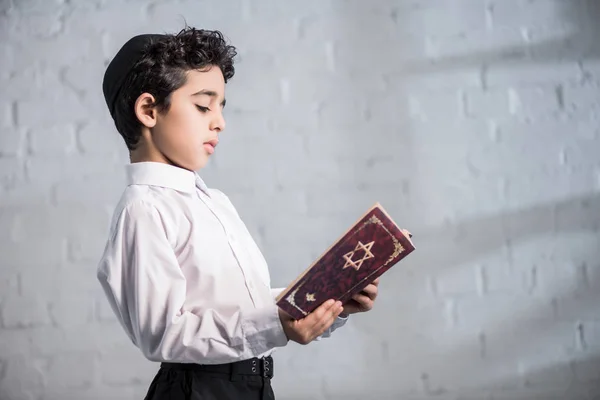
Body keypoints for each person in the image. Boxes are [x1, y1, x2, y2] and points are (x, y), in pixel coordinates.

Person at [96, 26, 381, 400]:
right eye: (203, 105)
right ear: (149, 110)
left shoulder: (214, 202)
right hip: (198, 390)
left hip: (252, 387)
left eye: (221, 107)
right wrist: (277, 322)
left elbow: (245, 306)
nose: (219, 121)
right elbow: (162, 334)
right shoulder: (144, 209)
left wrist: (325, 299)